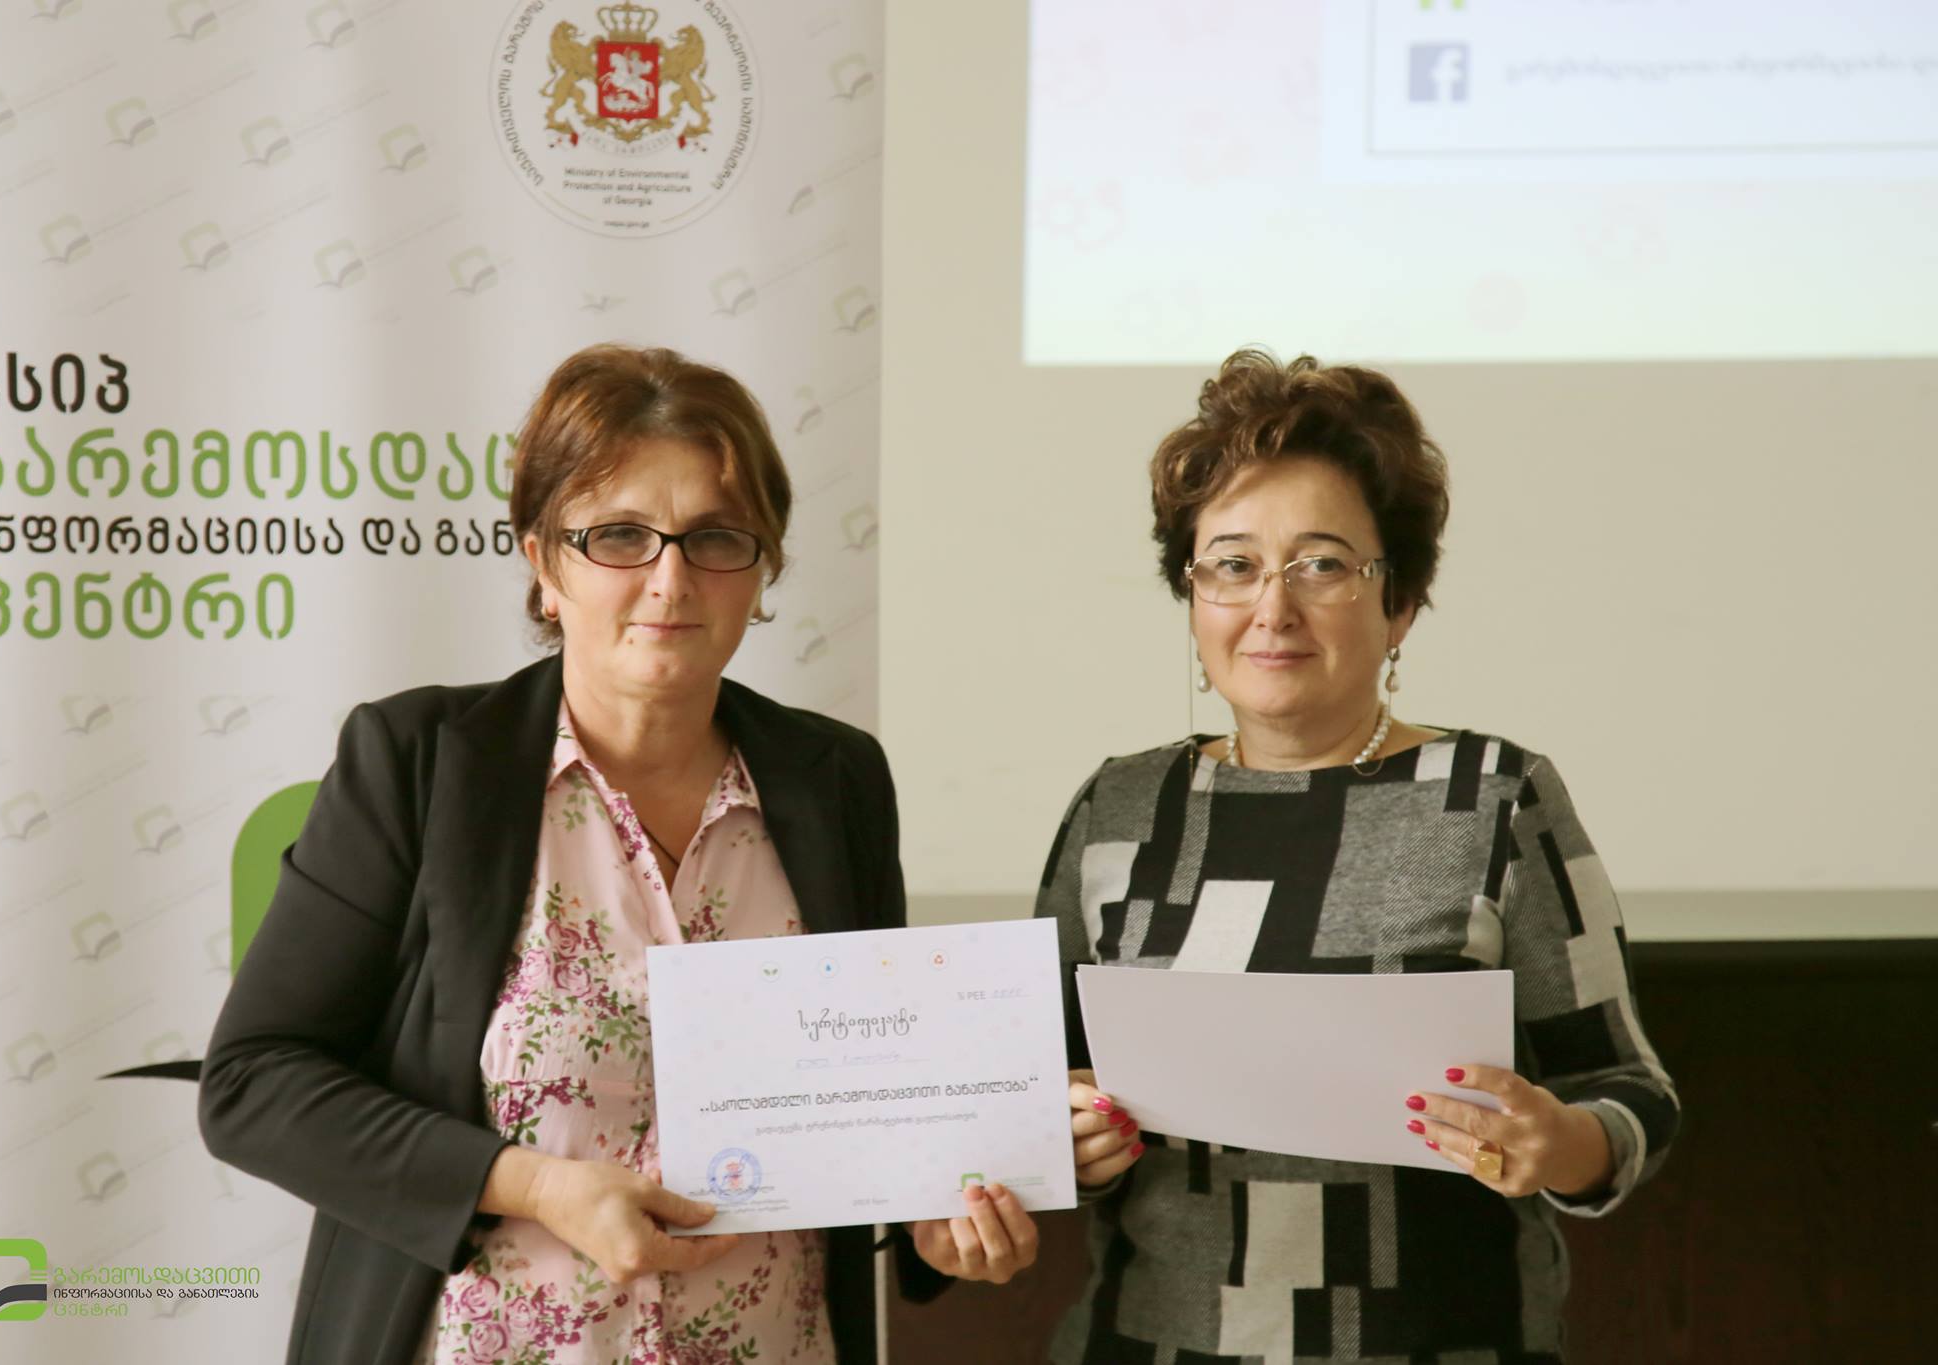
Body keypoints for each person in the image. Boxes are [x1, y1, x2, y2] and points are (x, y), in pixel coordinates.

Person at [200, 344, 1038, 1365]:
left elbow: (868, 1098)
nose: (670, 579)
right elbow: (254, 1083)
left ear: (762, 570)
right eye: (620, 536)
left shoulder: (836, 778)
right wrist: (534, 1185)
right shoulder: (420, 764)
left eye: (716, 537)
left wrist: (937, 1223)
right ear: (544, 563)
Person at [1048, 349, 1679, 1362]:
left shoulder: (1491, 796)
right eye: (1233, 565)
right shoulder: (1121, 807)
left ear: (1400, 603)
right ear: (1191, 595)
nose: (1272, 607)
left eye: (1322, 565)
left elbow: (1630, 1092)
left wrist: (1556, 1140)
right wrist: (1061, 1135)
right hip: (1152, 1344)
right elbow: (1027, 1092)